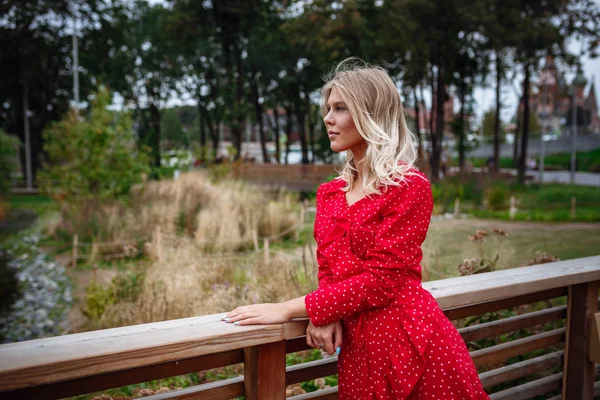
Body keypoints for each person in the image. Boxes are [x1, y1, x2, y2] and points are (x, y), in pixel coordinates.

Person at [222, 59, 489, 399]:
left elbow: (384, 280)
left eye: (340, 108)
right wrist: (325, 314)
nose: (327, 119)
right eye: (327, 109)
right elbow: (328, 267)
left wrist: (290, 308)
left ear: (370, 114)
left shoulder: (408, 186)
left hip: (411, 345)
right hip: (359, 352)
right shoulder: (329, 194)